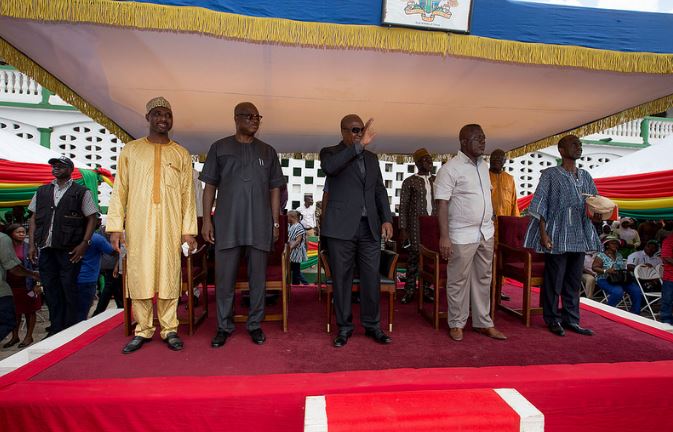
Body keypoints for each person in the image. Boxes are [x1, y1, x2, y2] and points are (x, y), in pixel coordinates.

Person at [107, 97, 198, 354]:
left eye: (167, 115)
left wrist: (188, 231)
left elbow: (187, 196)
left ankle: (169, 329)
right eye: (157, 114)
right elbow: (120, 190)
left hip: (171, 224)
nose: (163, 119)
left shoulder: (180, 153)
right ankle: (143, 329)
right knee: (140, 274)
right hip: (138, 223)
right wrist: (116, 227)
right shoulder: (131, 150)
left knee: (169, 275)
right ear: (148, 118)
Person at [201, 102, 285, 348]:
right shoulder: (219, 147)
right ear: (236, 118)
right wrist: (207, 220)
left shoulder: (268, 151)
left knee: (257, 278)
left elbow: (275, 188)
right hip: (227, 224)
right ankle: (224, 326)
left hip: (259, 224)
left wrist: (275, 222)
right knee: (224, 279)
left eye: (257, 117)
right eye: (249, 116)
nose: (254, 120)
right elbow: (209, 188)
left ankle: (254, 325)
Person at [320, 115, 393, 348]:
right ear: (342, 131)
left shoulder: (372, 159)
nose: (358, 134)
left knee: (371, 278)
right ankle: (344, 327)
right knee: (342, 279)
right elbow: (330, 169)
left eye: (361, 130)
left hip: (369, 227)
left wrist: (386, 219)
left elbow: (379, 191)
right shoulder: (330, 153)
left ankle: (373, 326)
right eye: (353, 130)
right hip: (340, 228)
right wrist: (358, 146)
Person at [524, 134, 601, 337]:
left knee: (573, 281)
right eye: (574, 144)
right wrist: (543, 233)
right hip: (557, 234)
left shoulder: (585, 176)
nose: (578, 147)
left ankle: (571, 319)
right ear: (561, 150)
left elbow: (594, 203)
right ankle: (552, 319)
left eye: (580, 144)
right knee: (554, 280)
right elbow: (541, 204)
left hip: (579, 235)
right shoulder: (550, 174)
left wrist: (599, 211)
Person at [435, 124, 506, 342]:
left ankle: (483, 322)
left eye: (484, 137)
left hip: (485, 233)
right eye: (477, 138)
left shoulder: (484, 166)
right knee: (458, 280)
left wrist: (491, 224)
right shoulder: (450, 168)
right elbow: (442, 204)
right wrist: (444, 237)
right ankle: (457, 323)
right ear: (464, 142)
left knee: (484, 278)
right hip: (460, 234)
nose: (483, 142)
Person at [28, 156, 98, 337]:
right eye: (54, 166)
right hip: (46, 247)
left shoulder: (81, 191)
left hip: (69, 247)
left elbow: (92, 218)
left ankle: (70, 327)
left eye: (60, 166)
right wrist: (32, 245)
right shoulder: (42, 190)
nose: (56, 168)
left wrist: (84, 243)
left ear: (70, 169)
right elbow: (34, 218)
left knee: (68, 286)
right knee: (50, 288)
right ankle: (56, 327)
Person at [398, 147, 436, 304]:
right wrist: (403, 229)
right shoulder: (410, 181)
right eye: (425, 160)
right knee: (413, 258)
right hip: (415, 226)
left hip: (433, 226)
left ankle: (426, 290)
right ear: (418, 163)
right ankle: (409, 290)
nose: (429, 162)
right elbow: (403, 206)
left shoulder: (437, 180)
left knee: (429, 259)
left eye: (430, 159)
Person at [489, 148, 520, 302]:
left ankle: (498, 289)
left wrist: (515, 226)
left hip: (505, 227)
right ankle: (484, 290)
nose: (497, 161)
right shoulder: (483, 176)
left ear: (505, 161)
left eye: (500, 159)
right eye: (494, 158)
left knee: (501, 259)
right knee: (486, 259)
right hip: (487, 226)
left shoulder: (510, 179)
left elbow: (514, 203)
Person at [3, 224, 41, 348]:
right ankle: (15, 336)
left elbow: (37, 267)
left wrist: (38, 284)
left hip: (28, 285)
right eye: (18, 232)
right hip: (10, 285)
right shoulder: (6, 247)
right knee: (14, 312)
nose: (21, 234)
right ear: (10, 234)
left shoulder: (29, 248)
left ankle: (29, 336)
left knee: (30, 311)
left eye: (23, 232)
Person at [75, 217, 114, 321]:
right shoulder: (97, 238)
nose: (100, 221)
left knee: (75, 310)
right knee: (82, 313)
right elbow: (112, 251)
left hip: (73, 277)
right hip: (88, 279)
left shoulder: (74, 236)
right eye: (97, 219)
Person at [592, 236, 642, 314]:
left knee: (636, 290)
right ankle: (608, 311)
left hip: (619, 278)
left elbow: (622, 267)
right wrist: (606, 270)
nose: (616, 245)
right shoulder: (600, 255)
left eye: (617, 244)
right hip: (604, 278)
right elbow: (594, 268)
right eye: (613, 243)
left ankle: (635, 312)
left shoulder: (619, 255)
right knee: (617, 292)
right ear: (607, 245)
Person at [287, 210, 308, 285]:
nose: (286, 218)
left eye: (287, 216)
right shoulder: (290, 226)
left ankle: (297, 285)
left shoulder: (298, 226)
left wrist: (290, 249)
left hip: (296, 252)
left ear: (292, 217)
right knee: (293, 269)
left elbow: (298, 240)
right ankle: (295, 284)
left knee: (296, 270)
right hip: (291, 251)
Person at [660, 233, 673, 324]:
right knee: (667, 299)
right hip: (670, 276)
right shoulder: (669, 240)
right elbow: (666, 258)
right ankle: (666, 319)